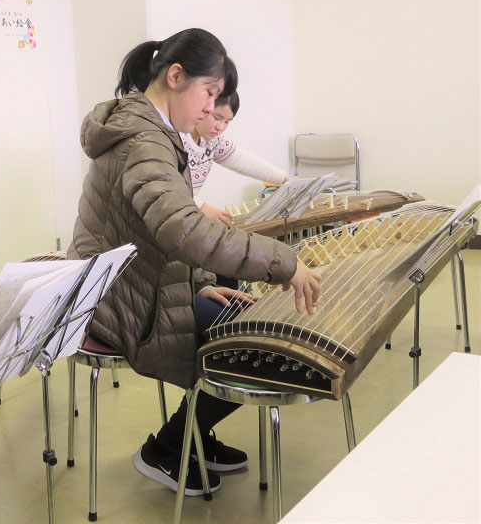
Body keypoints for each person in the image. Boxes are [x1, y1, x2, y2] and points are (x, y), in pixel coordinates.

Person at [67, 29, 320, 496]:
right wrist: (285, 262)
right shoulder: (145, 140)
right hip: (118, 300)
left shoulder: (151, 131)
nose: (211, 109)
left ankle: (192, 437)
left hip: (135, 283)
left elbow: (164, 235)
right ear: (176, 77)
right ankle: (171, 446)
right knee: (258, 343)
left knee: (242, 317)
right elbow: (183, 228)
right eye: (209, 93)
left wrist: (199, 284)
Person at [182, 85, 291, 227]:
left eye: (227, 122)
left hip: (185, 214)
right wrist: (201, 207)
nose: (220, 127)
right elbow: (168, 186)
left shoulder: (212, 141)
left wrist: (287, 179)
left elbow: (243, 161)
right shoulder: (177, 138)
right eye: (217, 117)